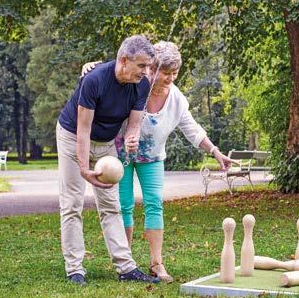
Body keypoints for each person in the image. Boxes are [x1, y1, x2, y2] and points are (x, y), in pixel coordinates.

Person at [82, 41, 236, 283]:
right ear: (152, 69)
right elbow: (114, 71)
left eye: (175, 73)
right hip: (119, 154)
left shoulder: (176, 98)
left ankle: (157, 263)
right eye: (166, 72)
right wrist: (90, 65)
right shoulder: (135, 85)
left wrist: (215, 151)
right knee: (124, 206)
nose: (170, 78)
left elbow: (192, 129)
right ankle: (126, 264)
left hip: (152, 158)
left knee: (154, 204)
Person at [56, 35, 160, 285]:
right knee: (72, 203)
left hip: (105, 144)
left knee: (111, 205)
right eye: (142, 66)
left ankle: (125, 268)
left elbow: (133, 124)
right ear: (124, 60)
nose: (146, 72)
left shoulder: (142, 84)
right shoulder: (94, 80)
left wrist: (132, 138)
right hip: (73, 137)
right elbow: (83, 129)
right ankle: (75, 269)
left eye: (149, 66)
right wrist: (83, 168)